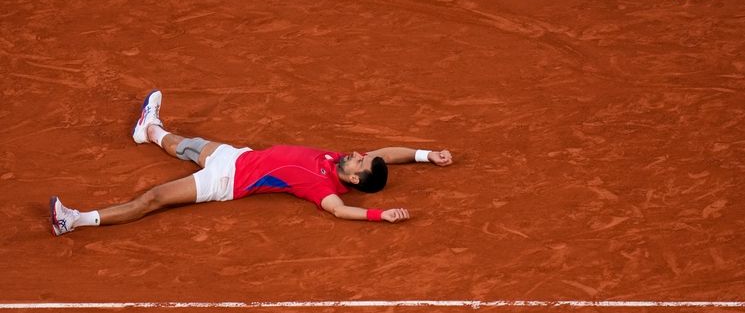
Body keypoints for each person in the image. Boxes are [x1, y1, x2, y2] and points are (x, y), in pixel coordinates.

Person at [50, 90, 454, 236]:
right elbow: (388, 155)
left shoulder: (325, 188)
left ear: (354, 177)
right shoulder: (341, 162)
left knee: (153, 198)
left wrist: (379, 216)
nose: (360, 153)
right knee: (181, 146)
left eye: (361, 160)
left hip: (225, 183)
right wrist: (425, 155)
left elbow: (342, 211)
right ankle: (149, 129)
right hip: (236, 156)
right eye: (364, 155)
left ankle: (75, 220)